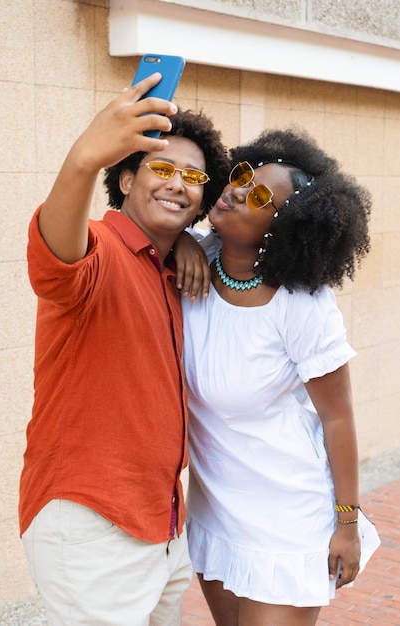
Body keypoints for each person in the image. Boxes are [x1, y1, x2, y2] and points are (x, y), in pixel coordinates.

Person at [19, 72, 230, 626]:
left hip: (162, 528)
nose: (178, 184)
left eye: (193, 177)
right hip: (93, 522)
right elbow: (58, 248)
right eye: (162, 168)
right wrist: (86, 157)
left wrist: (182, 241)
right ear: (128, 177)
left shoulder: (175, 269)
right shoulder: (100, 248)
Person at [176, 127, 381, 625]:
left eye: (261, 195)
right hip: (217, 511)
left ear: (283, 228)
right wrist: (180, 238)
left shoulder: (301, 304)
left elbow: (338, 417)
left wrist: (347, 525)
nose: (237, 189)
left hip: (288, 518)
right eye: (243, 176)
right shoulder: (195, 259)